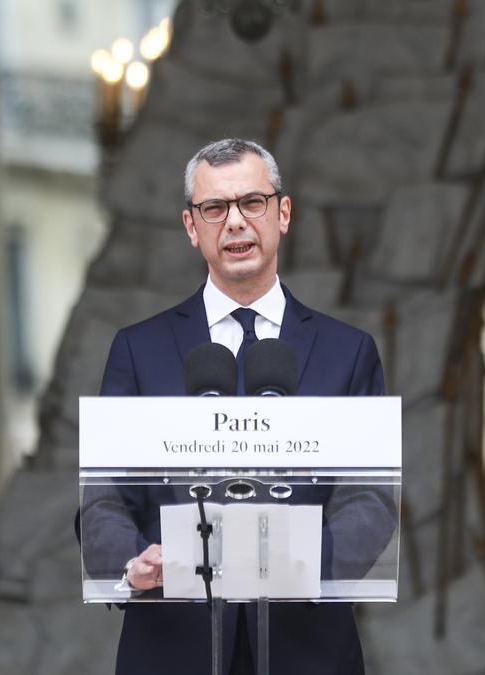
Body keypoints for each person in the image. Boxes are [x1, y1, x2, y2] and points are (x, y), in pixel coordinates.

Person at [79, 138, 395, 675]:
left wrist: (300, 562)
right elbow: (103, 500)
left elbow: (370, 499)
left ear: (283, 213)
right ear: (190, 226)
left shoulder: (349, 351)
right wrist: (135, 562)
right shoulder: (139, 350)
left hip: (310, 648)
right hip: (173, 648)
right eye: (214, 208)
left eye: (253, 202)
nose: (235, 222)